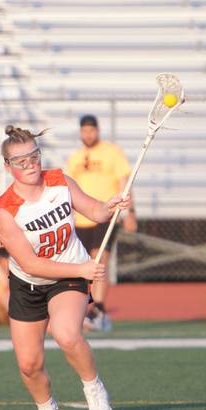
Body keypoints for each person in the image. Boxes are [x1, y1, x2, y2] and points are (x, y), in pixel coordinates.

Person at [0, 125, 131, 410]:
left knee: (68, 335)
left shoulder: (59, 181)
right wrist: (81, 271)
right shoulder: (4, 211)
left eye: (33, 157)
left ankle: (93, 387)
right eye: (20, 161)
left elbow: (93, 210)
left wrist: (110, 207)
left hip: (67, 276)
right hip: (28, 283)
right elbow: (29, 263)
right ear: (7, 166)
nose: (30, 165)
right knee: (29, 365)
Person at [66, 115, 136, 331]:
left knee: (99, 260)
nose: (88, 134)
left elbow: (125, 182)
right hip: (80, 218)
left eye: (91, 130)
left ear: (97, 131)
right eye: (84, 131)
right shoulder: (75, 157)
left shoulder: (112, 152)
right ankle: (86, 309)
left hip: (106, 214)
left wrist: (130, 212)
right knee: (84, 265)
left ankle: (98, 309)